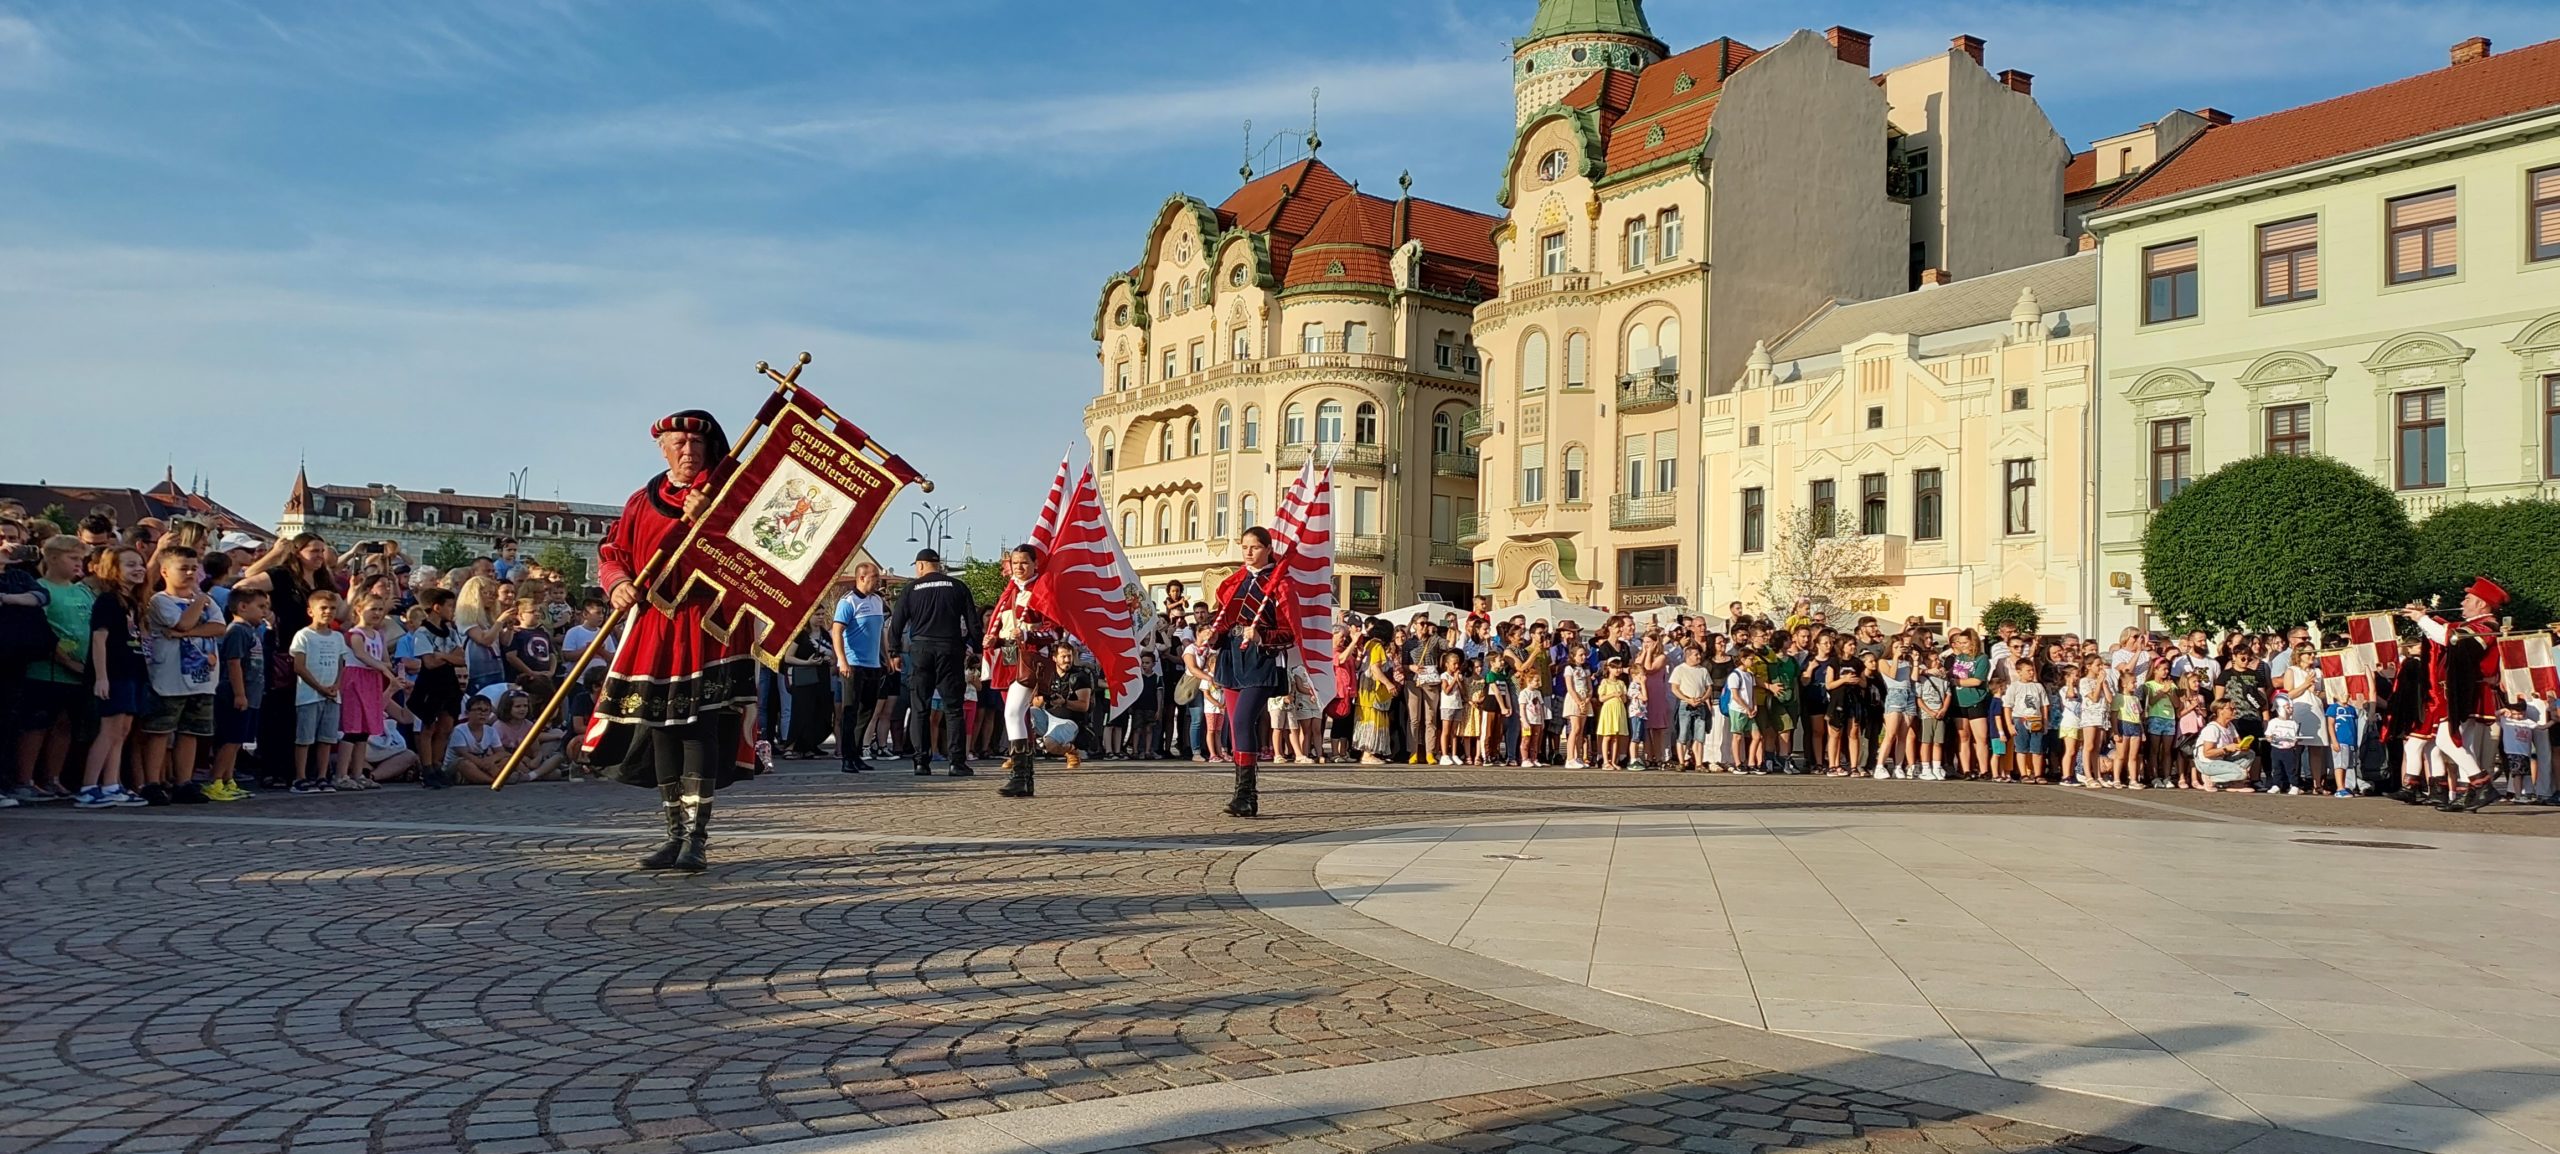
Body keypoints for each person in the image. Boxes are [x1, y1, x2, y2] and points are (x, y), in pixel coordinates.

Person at [585, 409, 763, 873]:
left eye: (696, 444)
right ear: (662, 449)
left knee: (699, 726)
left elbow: (751, 558)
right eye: (679, 444)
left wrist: (711, 520)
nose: (688, 451)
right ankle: (673, 835)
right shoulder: (640, 501)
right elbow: (613, 552)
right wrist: (617, 582)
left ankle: (696, 839)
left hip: (708, 626)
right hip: (656, 626)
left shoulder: (728, 495)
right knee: (661, 725)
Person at [1207, 527, 1297, 816]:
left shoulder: (1280, 584)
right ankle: (1242, 796)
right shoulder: (1234, 582)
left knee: (1244, 720)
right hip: (1232, 657)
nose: (1248, 552)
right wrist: (1213, 635)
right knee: (1236, 727)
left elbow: (1290, 633)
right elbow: (1223, 622)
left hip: (1261, 660)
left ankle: (1247, 794)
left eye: (1255, 547)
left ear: (1268, 549)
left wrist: (1262, 637)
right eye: (1244, 546)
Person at [2404, 578, 2509, 812]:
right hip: (2464, 691)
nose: (2462, 603)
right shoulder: (2475, 624)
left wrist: (2422, 619)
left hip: (2469, 691)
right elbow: (2444, 633)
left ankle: (2481, 784)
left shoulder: (2486, 625)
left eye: (2467, 599)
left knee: (2446, 740)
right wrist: (2424, 617)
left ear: (2481, 604)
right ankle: (2468, 792)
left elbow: (2451, 640)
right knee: (2463, 744)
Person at [139, 546, 225, 805]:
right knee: (160, 731)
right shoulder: (161, 601)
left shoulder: (205, 601)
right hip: (170, 678)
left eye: (193, 568)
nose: (190, 573)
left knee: (191, 732)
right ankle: (152, 782)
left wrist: (186, 633)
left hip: (202, 679)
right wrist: (198, 604)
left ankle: (183, 782)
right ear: (165, 571)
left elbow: (219, 627)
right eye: (183, 568)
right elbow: (182, 622)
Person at [887, 547, 979, 779]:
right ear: (939, 565)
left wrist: (894, 651)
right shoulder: (958, 587)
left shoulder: (911, 589)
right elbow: (973, 621)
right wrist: (976, 648)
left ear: (920, 565)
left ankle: (921, 762)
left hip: (921, 650)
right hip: (950, 649)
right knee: (954, 708)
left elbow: (896, 623)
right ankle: (956, 763)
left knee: (920, 707)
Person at [77, 547, 152, 807]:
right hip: (114, 672)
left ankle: (111, 783)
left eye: (140, 564)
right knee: (109, 730)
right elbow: (99, 638)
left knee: (123, 730)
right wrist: (101, 677)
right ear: (114, 569)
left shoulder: (132, 601)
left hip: (133, 671)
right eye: (130, 565)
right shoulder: (108, 600)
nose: (139, 569)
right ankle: (89, 786)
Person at [982, 544, 1058, 797]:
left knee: (1013, 711)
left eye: (1024, 562)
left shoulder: (1043, 591)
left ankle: (1019, 775)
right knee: (1014, 714)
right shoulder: (1009, 593)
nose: (1019, 567)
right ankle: (1025, 779)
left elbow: (1055, 632)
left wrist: (1028, 634)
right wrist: (994, 641)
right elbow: (1002, 629)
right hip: (1007, 660)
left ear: (1035, 564)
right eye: (1015, 563)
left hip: (1030, 660)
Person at [830, 561, 889, 773]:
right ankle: (847, 757)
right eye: (875, 577)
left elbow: (880, 631)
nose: (878, 581)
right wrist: (842, 660)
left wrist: (886, 656)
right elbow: (837, 631)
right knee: (850, 711)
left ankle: (856, 753)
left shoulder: (877, 601)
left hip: (873, 663)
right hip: (853, 664)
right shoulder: (848, 602)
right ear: (862, 577)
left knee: (867, 710)